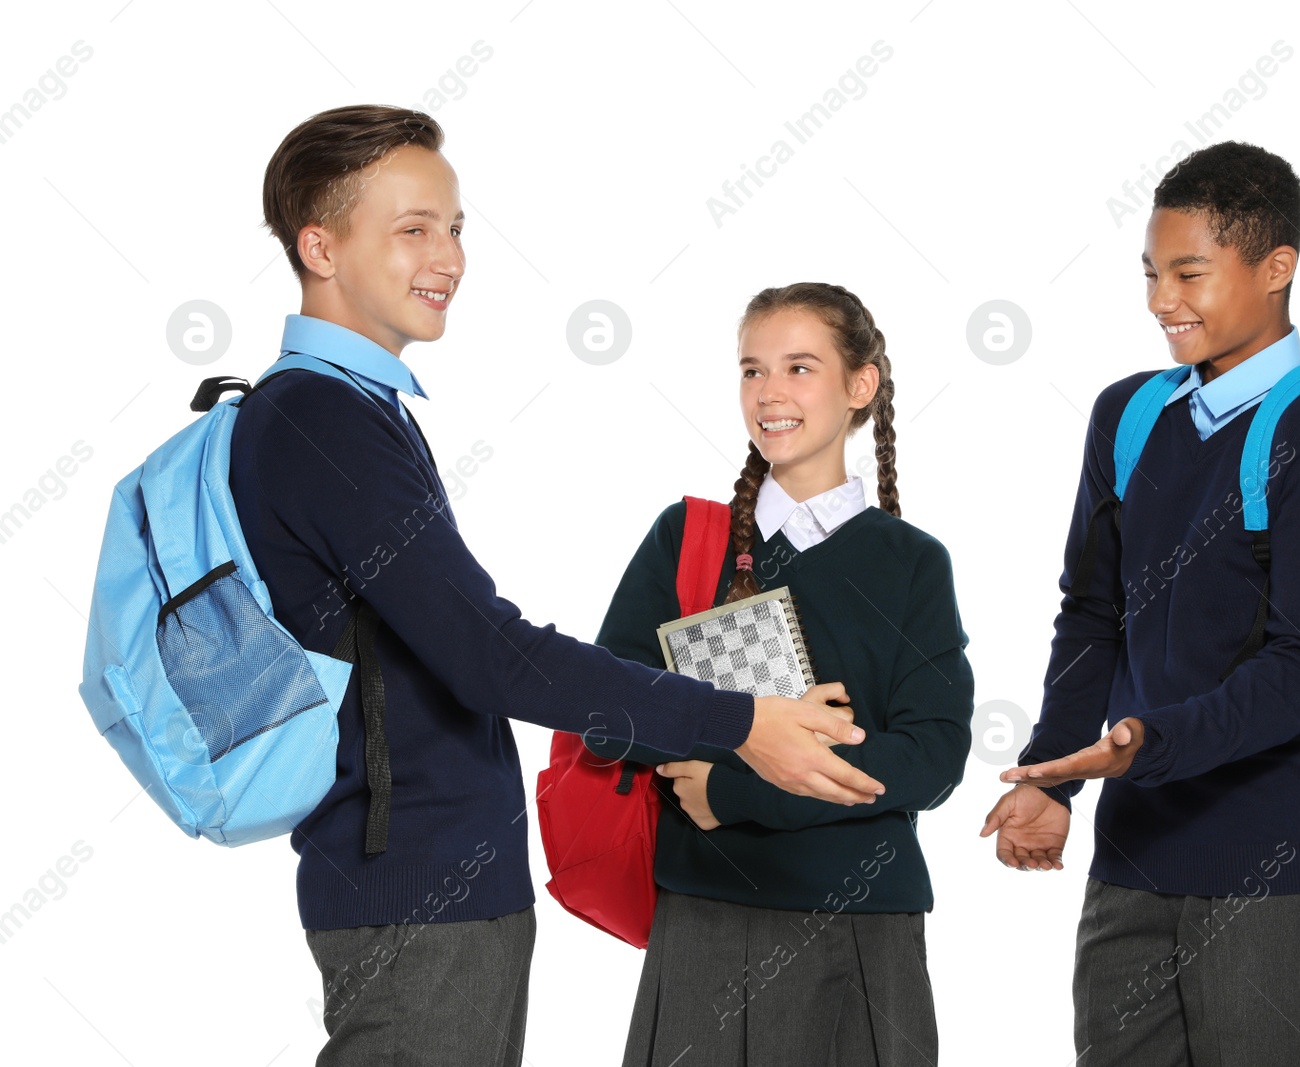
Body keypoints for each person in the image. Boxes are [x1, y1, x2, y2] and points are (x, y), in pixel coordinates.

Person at [232, 105, 883, 1067]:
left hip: (439, 885)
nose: (448, 257)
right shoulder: (321, 419)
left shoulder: (359, 408)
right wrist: (741, 719)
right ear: (318, 245)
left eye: (455, 228)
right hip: (414, 892)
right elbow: (489, 655)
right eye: (413, 229)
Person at [980, 141, 1300, 1066]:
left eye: (1190, 272)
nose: (1162, 299)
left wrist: (1141, 744)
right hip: (1132, 863)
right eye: (1152, 273)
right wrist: (1053, 775)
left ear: (1276, 267)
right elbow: (1090, 614)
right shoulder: (1127, 416)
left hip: (1273, 868)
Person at [583, 282, 974, 1066]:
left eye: (800, 367)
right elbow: (606, 709)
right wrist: (752, 728)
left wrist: (738, 788)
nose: (769, 394)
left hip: (860, 926)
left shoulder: (913, 563)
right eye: (752, 370)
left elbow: (931, 757)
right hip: (706, 916)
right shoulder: (687, 539)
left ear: (860, 386)